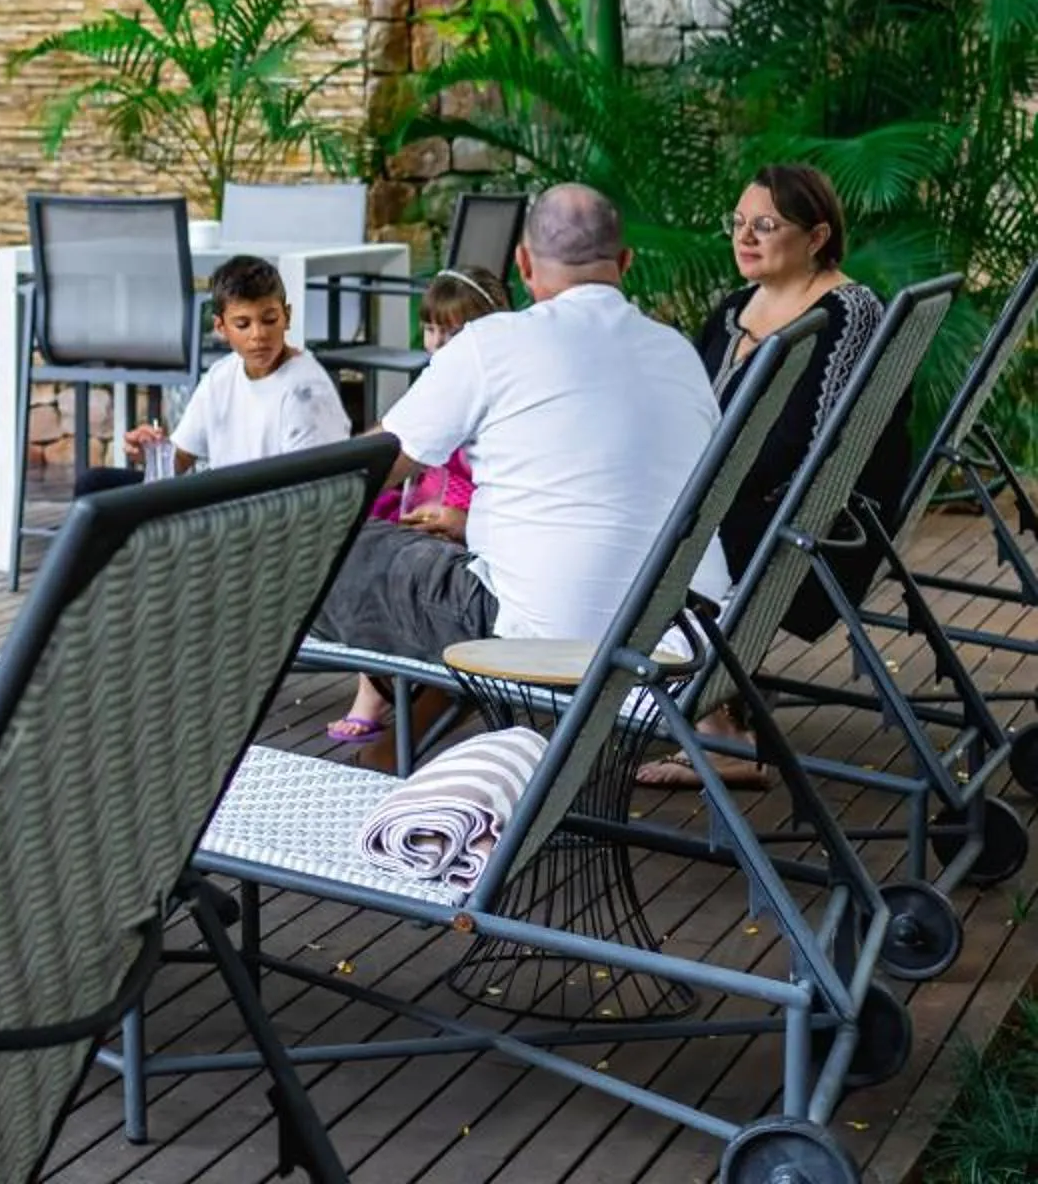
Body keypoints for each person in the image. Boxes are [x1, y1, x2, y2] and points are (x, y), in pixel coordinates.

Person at [308, 182, 725, 683]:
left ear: (524, 265)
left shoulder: (492, 342)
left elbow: (373, 465)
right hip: (685, 638)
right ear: (627, 261)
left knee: (325, 544)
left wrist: (272, 505)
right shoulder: (678, 352)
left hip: (540, 641)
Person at [638, 163, 906, 790]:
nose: (746, 237)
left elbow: (820, 442)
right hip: (739, 503)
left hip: (815, 522)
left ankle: (717, 724)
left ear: (816, 237)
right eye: (738, 223)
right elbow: (693, 405)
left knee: (653, 537)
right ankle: (714, 706)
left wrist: (700, 486)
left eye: (766, 224)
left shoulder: (846, 311)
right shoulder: (735, 307)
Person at [324, 264, 509, 748]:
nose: (439, 343)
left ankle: (388, 698)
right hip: (425, 507)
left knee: (366, 566)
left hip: (468, 533)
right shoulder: (437, 382)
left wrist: (461, 522)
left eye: (453, 332)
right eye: (432, 329)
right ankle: (375, 690)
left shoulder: (492, 393)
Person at [72, 254, 348, 497]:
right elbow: (180, 461)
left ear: (287, 317)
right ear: (221, 327)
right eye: (243, 324)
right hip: (219, 502)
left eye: (270, 320)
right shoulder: (222, 376)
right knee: (95, 485)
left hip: (259, 517)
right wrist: (153, 453)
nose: (259, 335)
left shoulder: (306, 393)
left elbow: (314, 494)